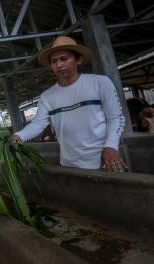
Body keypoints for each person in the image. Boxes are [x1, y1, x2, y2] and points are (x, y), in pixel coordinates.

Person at [10, 36, 127, 172]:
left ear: (79, 60)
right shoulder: (47, 96)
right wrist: (18, 137)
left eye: (64, 59)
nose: (59, 65)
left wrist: (111, 146)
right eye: (54, 61)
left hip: (104, 161)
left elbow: (116, 118)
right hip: (69, 164)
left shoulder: (100, 83)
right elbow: (38, 123)